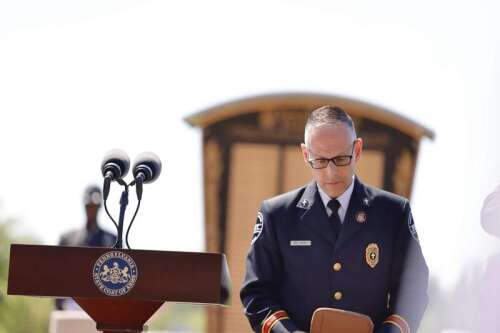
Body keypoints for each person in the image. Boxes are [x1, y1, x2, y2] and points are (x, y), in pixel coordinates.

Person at [240, 106, 429, 333]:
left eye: (340, 159)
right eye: (319, 160)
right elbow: (257, 293)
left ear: (357, 150)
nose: (330, 173)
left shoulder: (393, 213)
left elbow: (413, 289)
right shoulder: (277, 215)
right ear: (305, 154)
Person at [55, 185, 116, 310]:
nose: (91, 209)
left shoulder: (112, 239)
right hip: (72, 303)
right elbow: (57, 275)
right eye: (88, 206)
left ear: (100, 207)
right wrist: (59, 308)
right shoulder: (67, 238)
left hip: (102, 304)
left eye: (94, 206)